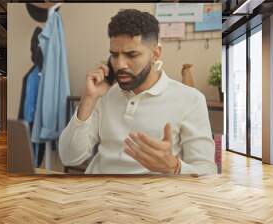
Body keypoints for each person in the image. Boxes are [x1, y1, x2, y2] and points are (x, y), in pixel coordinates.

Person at [59, 9, 217, 175]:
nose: (120, 65)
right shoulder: (103, 95)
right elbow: (69, 158)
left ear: (155, 54)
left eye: (131, 55)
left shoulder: (190, 99)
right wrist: (89, 99)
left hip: (150, 197)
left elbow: (208, 172)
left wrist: (174, 167)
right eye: (114, 55)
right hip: (99, 193)